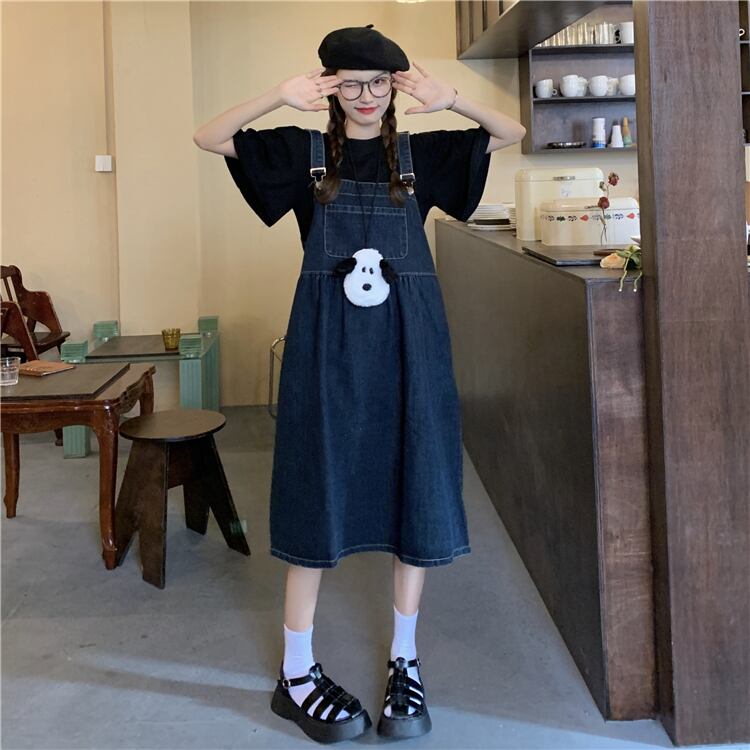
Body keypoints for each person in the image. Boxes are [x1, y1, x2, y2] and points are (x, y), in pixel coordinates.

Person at [194, 24, 525, 744]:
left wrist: (451, 99)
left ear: (397, 88)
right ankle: (297, 672)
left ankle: (406, 659)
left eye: (379, 83)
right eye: (350, 83)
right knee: (316, 480)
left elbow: (511, 131)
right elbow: (208, 136)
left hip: (412, 348)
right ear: (329, 87)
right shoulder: (301, 152)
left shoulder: (422, 156)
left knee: (418, 480)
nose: (366, 96)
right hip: (328, 350)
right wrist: (277, 96)